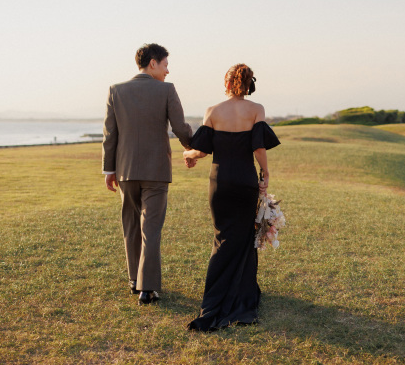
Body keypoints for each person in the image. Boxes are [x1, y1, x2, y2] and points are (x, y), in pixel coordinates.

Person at [182, 63, 280, 331]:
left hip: (221, 182)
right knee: (244, 236)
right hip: (245, 181)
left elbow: (200, 152)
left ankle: (216, 299)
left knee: (222, 236)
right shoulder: (256, 109)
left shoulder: (212, 111)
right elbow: (258, 147)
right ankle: (242, 295)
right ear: (248, 85)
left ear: (226, 84)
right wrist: (266, 173)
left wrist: (186, 155)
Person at [102, 43, 193, 305]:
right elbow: (180, 127)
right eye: (165, 64)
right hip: (156, 172)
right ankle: (147, 288)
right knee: (150, 229)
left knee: (131, 226)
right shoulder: (167, 90)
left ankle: (134, 280)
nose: (167, 70)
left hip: (125, 171)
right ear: (152, 63)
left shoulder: (115, 91)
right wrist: (193, 147)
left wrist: (109, 170)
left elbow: (111, 135)